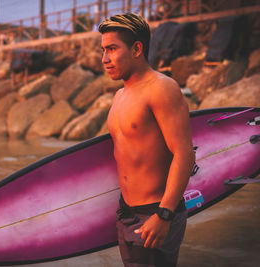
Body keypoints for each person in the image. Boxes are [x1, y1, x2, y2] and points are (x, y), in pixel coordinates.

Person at [98, 13, 195, 266]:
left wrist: (164, 215)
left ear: (137, 48)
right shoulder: (120, 95)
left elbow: (184, 154)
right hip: (126, 212)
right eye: (103, 50)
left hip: (157, 212)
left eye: (112, 49)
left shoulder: (161, 88)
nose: (104, 59)